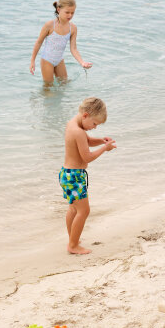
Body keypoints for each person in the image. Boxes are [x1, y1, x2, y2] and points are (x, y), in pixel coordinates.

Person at [60, 97, 115, 255]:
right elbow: (87, 157)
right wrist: (105, 148)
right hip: (75, 177)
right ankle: (73, 246)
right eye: (95, 124)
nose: (95, 127)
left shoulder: (74, 124)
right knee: (84, 211)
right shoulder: (78, 131)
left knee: (73, 209)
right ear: (85, 115)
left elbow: (87, 141)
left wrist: (101, 141)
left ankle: (73, 239)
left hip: (67, 174)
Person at [31, 0, 93, 86]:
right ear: (59, 9)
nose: (70, 15)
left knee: (64, 85)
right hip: (47, 60)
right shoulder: (50, 25)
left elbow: (73, 48)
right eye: (67, 12)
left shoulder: (73, 28)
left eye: (72, 13)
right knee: (48, 87)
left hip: (59, 60)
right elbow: (39, 42)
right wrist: (32, 61)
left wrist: (82, 62)